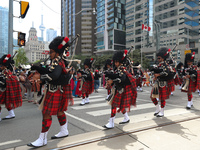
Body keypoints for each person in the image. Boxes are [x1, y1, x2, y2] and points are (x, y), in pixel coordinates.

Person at [27, 36, 73, 148]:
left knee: (46, 113)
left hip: (55, 91)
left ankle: (42, 139)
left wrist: (41, 78)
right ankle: (64, 130)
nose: (50, 54)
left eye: (51, 52)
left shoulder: (58, 62)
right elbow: (49, 71)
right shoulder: (56, 61)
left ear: (57, 52)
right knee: (60, 111)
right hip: (57, 90)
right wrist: (37, 67)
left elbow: (54, 75)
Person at [103, 50, 137, 129]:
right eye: (115, 62)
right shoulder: (118, 69)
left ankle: (111, 122)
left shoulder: (122, 69)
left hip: (121, 90)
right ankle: (126, 117)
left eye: (117, 62)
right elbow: (116, 76)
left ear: (121, 62)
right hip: (118, 89)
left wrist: (112, 80)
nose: (115, 63)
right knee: (120, 105)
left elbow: (121, 79)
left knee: (114, 105)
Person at [150, 47, 174, 117]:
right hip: (157, 83)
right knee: (152, 96)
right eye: (158, 58)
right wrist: (155, 77)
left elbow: (166, 73)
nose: (158, 59)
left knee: (162, 98)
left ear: (163, 58)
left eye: (159, 58)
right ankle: (158, 108)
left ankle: (162, 112)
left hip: (163, 83)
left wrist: (158, 74)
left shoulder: (165, 65)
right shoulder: (159, 65)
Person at [0, 54, 22, 121]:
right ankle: (11, 114)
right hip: (5, 90)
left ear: (4, 66)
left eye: (1, 66)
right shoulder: (7, 72)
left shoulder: (6, 73)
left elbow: (3, 82)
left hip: (3, 90)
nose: (0, 67)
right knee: (8, 102)